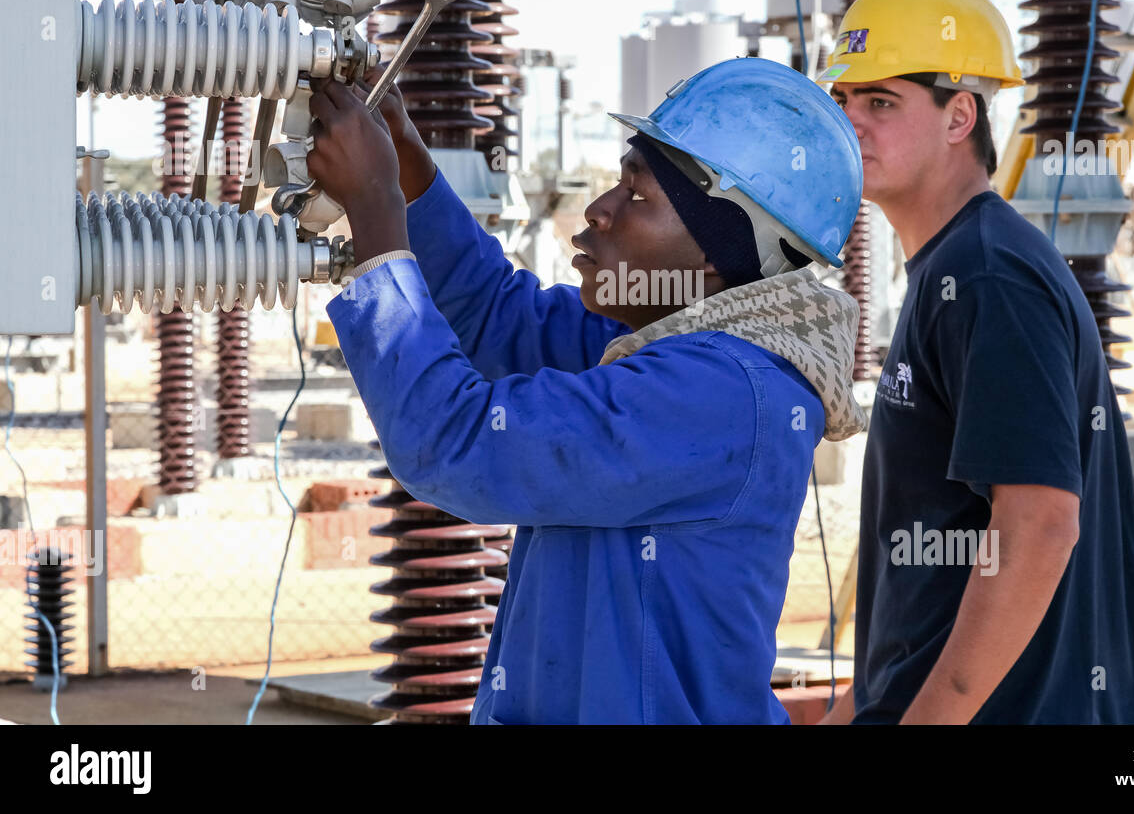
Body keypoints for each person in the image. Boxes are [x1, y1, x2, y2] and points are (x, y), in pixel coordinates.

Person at [304, 57, 868, 723]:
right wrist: (406, 165)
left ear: (717, 252)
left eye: (637, 196)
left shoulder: (720, 392)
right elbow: (498, 318)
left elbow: (455, 442)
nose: (598, 212)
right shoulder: (666, 343)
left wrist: (375, 209)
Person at [817, 0, 1134, 724]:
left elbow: (1038, 524)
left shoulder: (987, 276)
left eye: (882, 102)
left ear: (958, 116)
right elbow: (934, 572)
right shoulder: (951, 269)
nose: (852, 123)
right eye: (845, 101)